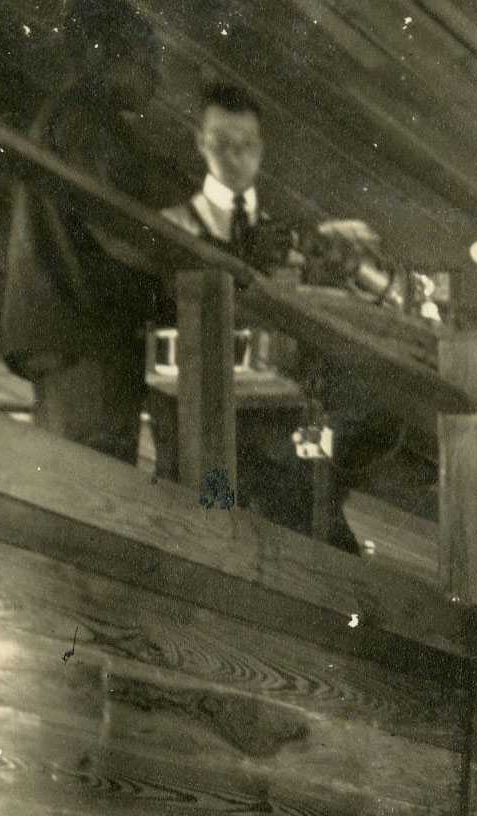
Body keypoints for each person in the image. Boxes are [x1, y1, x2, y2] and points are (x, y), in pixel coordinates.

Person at [156, 83, 398, 548]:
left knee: (317, 519)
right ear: (200, 142)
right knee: (213, 535)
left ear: (261, 149)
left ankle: (317, 514)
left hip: (278, 430)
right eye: (221, 142)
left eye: (246, 144)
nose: (234, 155)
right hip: (207, 425)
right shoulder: (176, 224)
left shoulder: (282, 236)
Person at [1, 0, 184, 463]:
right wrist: (185, 261)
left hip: (72, 333)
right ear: (109, 57)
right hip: (84, 335)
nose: (155, 79)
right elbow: (121, 229)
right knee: (92, 475)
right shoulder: (86, 122)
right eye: (146, 63)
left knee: (80, 473)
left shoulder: (73, 118)